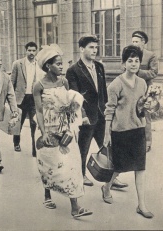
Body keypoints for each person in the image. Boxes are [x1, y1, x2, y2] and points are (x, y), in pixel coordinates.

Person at [33, 44, 92, 218]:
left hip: (64, 129)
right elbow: (39, 111)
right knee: (49, 165)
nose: (61, 66)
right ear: (48, 66)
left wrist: (74, 116)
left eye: (61, 63)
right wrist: (43, 133)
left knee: (72, 165)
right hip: (48, 130)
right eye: (58, 64)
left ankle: (75, 207)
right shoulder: (39, 86)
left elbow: (68, 102)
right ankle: (47, 195)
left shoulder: (64, 81)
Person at [66, 35, 127, 188]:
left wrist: (109, 113)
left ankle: (110, 178)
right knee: (83, 149)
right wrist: (83, 116)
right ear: (81, 49)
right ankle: (81, 175)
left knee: (107, 147)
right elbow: (74, 96)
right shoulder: (73, 70)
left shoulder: (99, 67)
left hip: (101, 114)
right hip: (86, 117)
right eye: (91, 47)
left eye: (95, 47)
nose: (95, 50)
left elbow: (103, 93)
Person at [101, 45, 154, 219]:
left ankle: (142, 205)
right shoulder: (116, 84)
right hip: (120, 132)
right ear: (123, 64)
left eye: (137, 61)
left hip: (138, 131)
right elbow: (109, 110)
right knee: (118, 167)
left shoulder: (142, 83)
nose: (133, 64)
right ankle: (106, 187)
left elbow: (142, 109)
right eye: (130, 61)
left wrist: (147, 107)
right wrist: (107, 134)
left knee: (140, 168)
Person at [11, 42, 44, 157]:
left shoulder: (39, 65)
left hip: (33, 98)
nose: (31, 53)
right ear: (25, 51)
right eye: (29, 50)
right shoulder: (17, 64)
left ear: (36, 51)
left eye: (33, 50)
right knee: (18, 122)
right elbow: (12, 83)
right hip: (21, 97)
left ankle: (34, 148)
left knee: (34, 123)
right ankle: (16, 143)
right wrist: (11, 100)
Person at [132, 31, 158, 152]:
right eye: (132, 41)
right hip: (132, 88)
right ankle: (134, 141)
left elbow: (154, 72)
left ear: (143, 42)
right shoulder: (130, 54)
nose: (134, 44)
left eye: (136, 41)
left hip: (147, 90)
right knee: (132, 114)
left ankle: (147, 143)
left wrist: (138, 72)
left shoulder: (150, 55)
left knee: (145, 115)